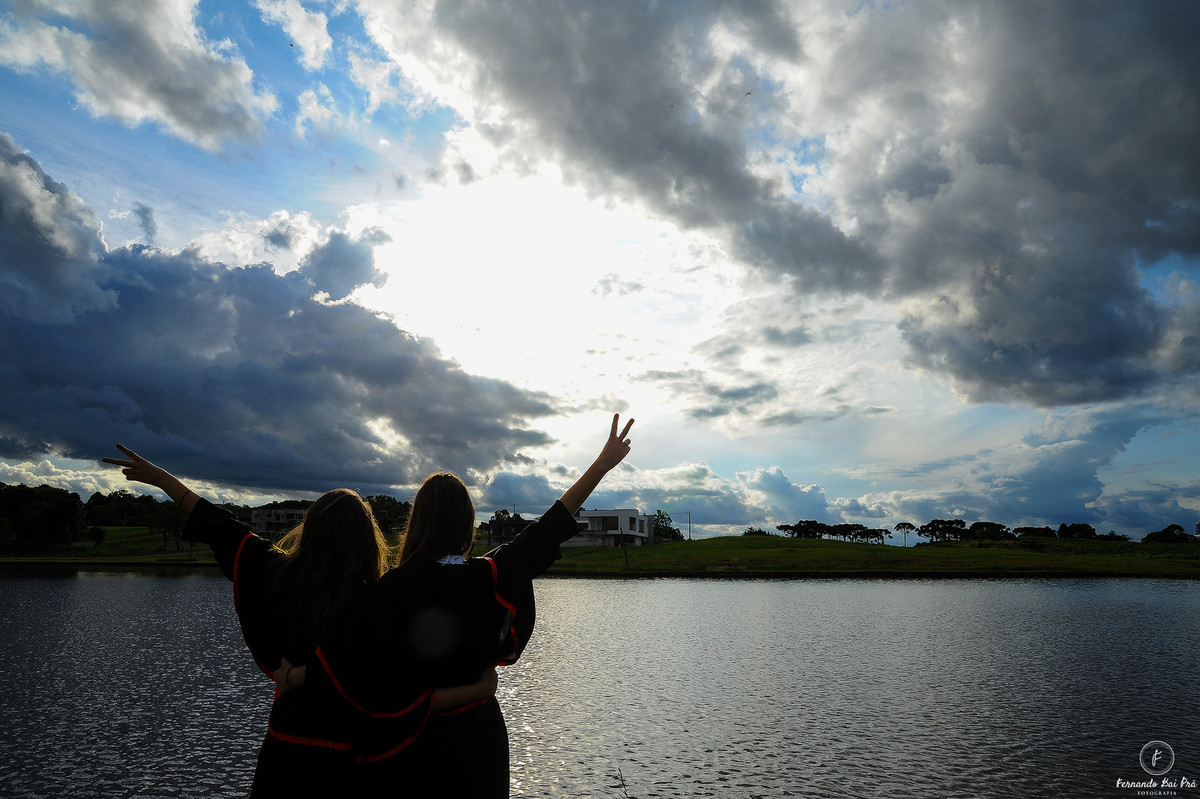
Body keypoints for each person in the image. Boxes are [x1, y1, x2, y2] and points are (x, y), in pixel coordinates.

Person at [103, 445, 495, 797]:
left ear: (311, 528)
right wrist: (476, 690)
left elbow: (220, 526)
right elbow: (388, 689)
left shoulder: (278, 574)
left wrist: (163, 480)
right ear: (365, 540)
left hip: (285, 745)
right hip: (349, 759)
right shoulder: (375, 600)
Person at [296, 413, 635, 796]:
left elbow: (352, 673)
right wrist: (600, 465)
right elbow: (551, 524)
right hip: (480, 743)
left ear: (417, 522)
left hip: (412, 747)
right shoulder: (491, 576)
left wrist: (291, 677)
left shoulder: (392, 588)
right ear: (467, 524)